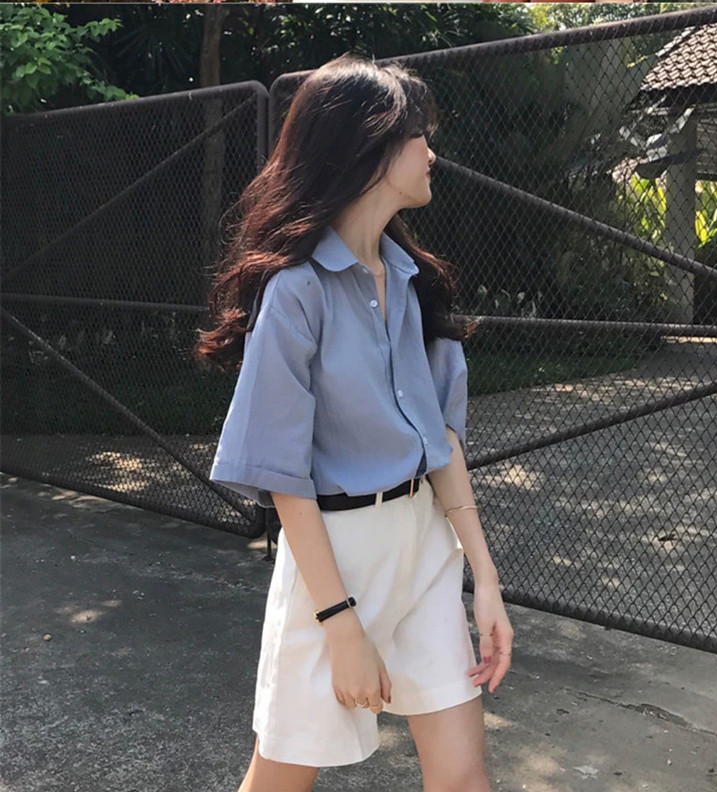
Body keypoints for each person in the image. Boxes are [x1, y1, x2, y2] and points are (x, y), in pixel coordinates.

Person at [194, 52, 513, 792]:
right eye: (418, 135)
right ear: (369, 148)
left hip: (424, 544)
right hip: (334, 561)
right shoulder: (296, 292)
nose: (431, 152)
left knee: (464, 778)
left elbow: (442, 442)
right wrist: (341, 623)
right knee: (279, 780)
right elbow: (283, 475)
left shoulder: (414, 283)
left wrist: (486, 578)